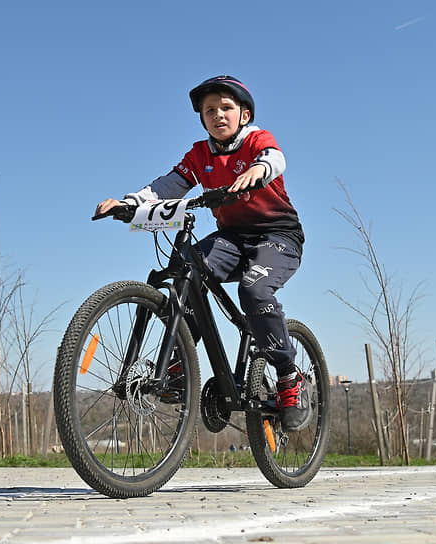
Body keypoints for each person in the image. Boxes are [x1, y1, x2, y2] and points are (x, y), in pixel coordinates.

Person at [95, 75, 308, 431]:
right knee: (184, 266)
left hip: (278, 236)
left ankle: (288, 377)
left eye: (227, 108)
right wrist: (128, 204)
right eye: (210, 110)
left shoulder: (257, 140)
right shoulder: (199, 154)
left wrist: (258, 169)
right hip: (231, 238)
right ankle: (179, 362)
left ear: (243, 115)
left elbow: (275, 158)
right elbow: (167, 186)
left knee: (254, 290)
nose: (218, 115)